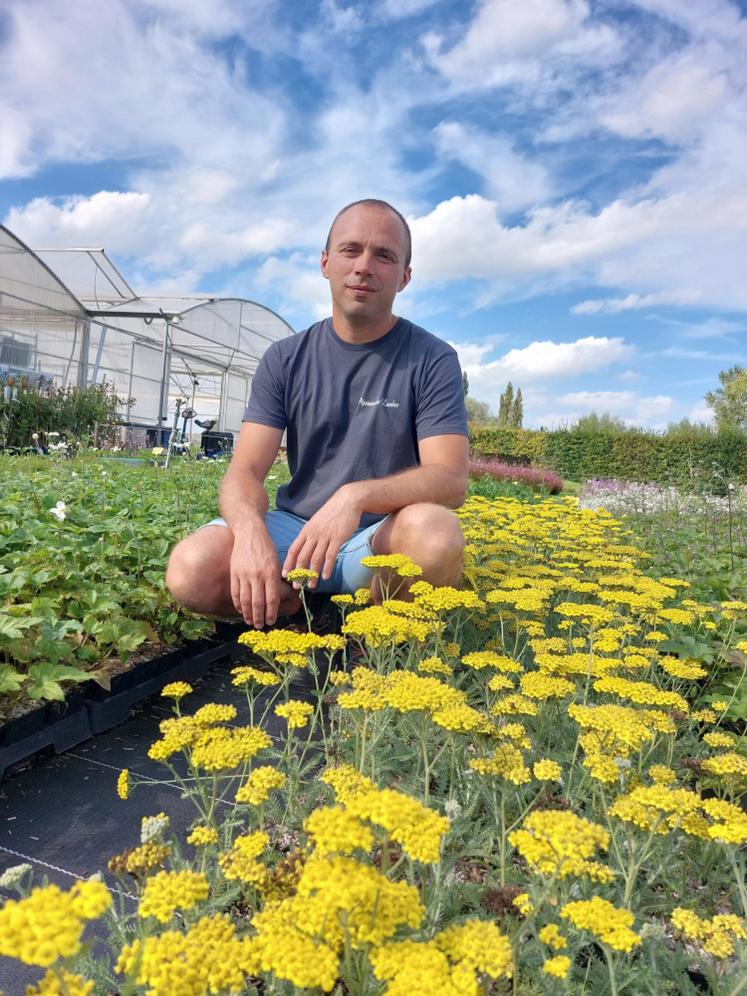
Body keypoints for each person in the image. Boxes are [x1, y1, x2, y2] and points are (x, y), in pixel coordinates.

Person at [166, 199, 470, 629]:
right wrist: (251, 533)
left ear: (404, 277)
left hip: (378, 539)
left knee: (435, 534)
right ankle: (292, 601)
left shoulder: (431, 358)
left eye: (384, 255)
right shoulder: (285, 359)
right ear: (325, 263)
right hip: (295, 535)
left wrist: (355, 496)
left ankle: (377, 639)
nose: (364, 266)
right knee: (191, 570)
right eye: (351, 250)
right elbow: (245, 471)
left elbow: (450, 480)